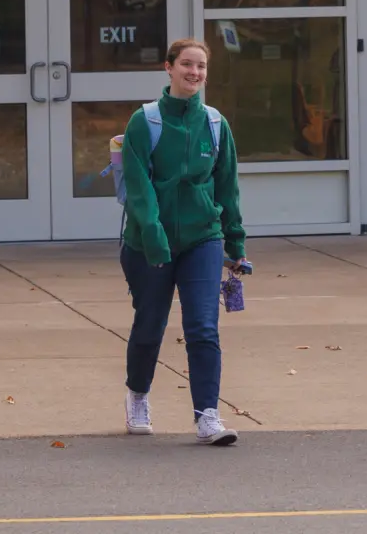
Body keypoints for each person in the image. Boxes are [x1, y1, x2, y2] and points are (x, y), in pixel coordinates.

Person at [118, 36, 249, 444]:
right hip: (148, 244)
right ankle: (138, 394)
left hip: (202, 239)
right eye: (187, 65)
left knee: (203, 328)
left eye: (201, 67)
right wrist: (155, 238)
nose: (195, 73)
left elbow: (228, 188)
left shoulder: (214, 123)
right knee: (149, 326)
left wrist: (236, 245)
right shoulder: (146, 122)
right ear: (169, 67)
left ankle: (207, 415)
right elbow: (139, 189)